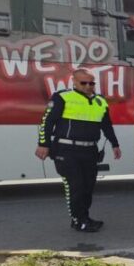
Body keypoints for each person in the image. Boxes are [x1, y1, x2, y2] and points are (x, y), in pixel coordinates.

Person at [35, 70, 121, 232]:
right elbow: (47, 121)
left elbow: (106, 125)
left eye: (91, 83)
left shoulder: (100, 101)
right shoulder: (62, 97)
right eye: (84, 83)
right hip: (66, 150)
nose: (88, 86)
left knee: (88, 188)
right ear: (73, 82)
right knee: (76, 186)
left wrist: (114, 144)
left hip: (90, 150)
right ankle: (78, 220)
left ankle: (85, 217)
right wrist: (43, 143)